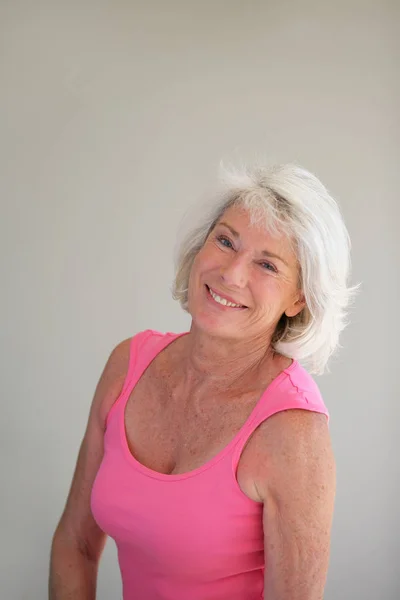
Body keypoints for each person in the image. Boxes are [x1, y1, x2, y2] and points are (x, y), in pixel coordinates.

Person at [49, 163, 358, 600]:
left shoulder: (292, 430)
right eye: (226, 241)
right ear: (201, 246)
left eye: (267, 265)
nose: (232, 274)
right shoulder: (128, 364)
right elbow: (76, 543)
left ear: (298, 299)